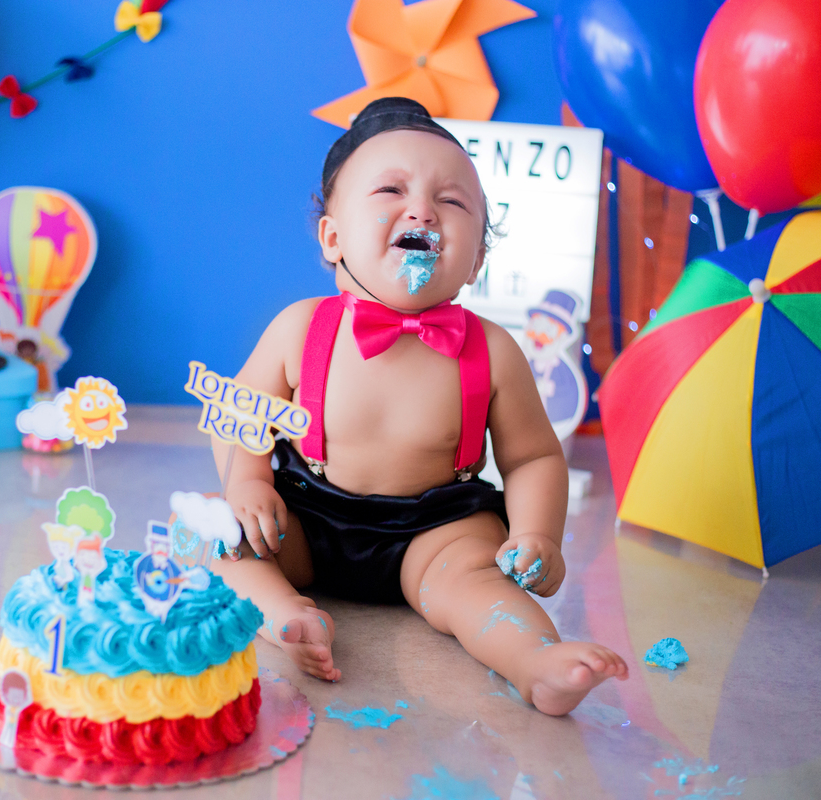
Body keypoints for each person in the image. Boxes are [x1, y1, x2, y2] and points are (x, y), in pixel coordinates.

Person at [209, 98, 627, 716]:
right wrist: (246, 480)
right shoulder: (300, 328)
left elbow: (534, 456)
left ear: (477, 258)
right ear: (333, 237)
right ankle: (288, 617)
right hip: (308, 516)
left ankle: (535, 662)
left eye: (452, 202)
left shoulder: (493, 349)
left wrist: (539, 535)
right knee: (229, 546)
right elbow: (239, 415)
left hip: (436, 530)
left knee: (477, 581)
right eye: (390, 189)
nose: (422, 210)